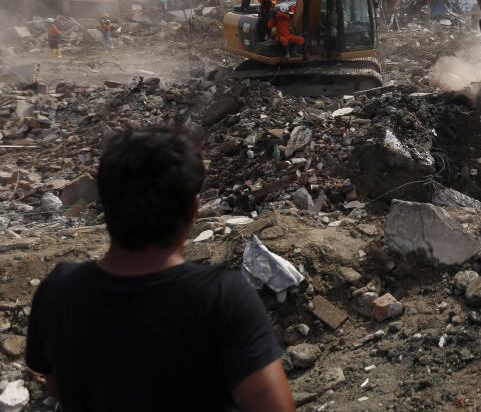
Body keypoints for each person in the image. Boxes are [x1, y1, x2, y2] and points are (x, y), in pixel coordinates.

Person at [26, 127, 295, 411]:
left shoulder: (57, 291)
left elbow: (56, 387)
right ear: (194, 209)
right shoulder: (222, 298)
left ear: (104, 204)